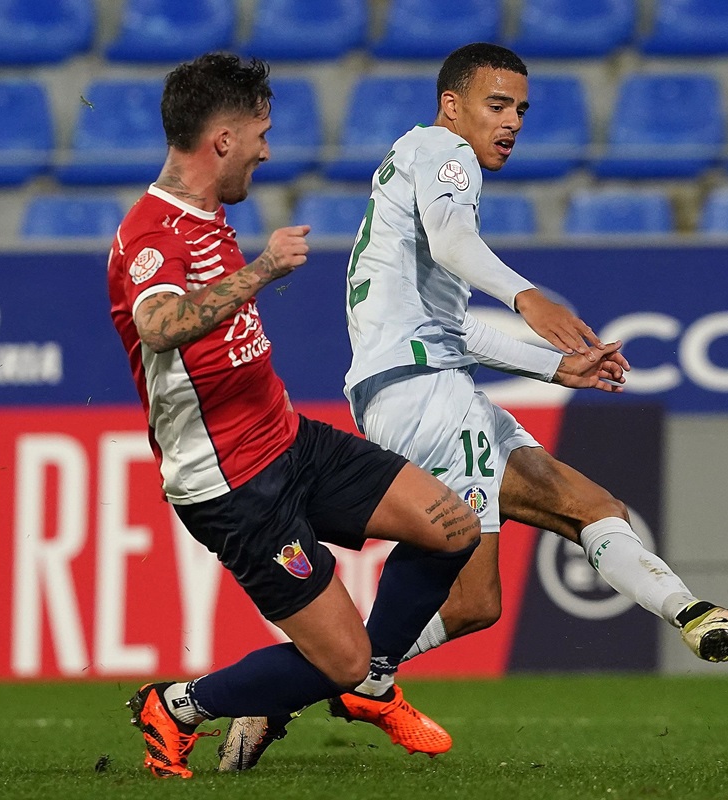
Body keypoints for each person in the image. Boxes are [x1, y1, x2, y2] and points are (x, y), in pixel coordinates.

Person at [325, 42, 728, 755]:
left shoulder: (412, 170)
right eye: (497, 105)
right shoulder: (442, 150)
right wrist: (525, 296)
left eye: (521, 109)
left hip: (420, 381)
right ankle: (303, 681)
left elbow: (454, 324)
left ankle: (697, 616)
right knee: (467, 598)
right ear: (451, 105)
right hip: (426, 394)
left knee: (565, 533)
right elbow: (455, 239)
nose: (512, 122)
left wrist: (558, 368)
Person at [107, 52, 482, 779]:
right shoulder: (152, 235)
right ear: (222, 140)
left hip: (289, 441)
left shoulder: (208, 216)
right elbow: (157, 327)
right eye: (260, 132)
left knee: (453, 526)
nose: (266, 149)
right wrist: (262, 272)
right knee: (334, 658)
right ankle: (180, 705)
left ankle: (369, 682)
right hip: (233, 483)